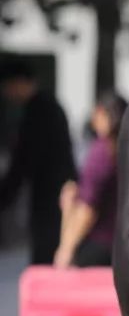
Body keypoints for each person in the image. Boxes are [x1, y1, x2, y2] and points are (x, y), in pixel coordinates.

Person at [0, 59, 77, 265]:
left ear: (17, 83)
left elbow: (24, 160)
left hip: (50, 196)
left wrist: (4, 195)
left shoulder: (38, 110)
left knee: (46, 257)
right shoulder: (51, 105)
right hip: (59, 193)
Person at [55, 91, 127, 268]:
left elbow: (88, 208)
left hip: (98, 245)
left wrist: (66, 249)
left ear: (103, 114)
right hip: (126, 244)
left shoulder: (101, 152)